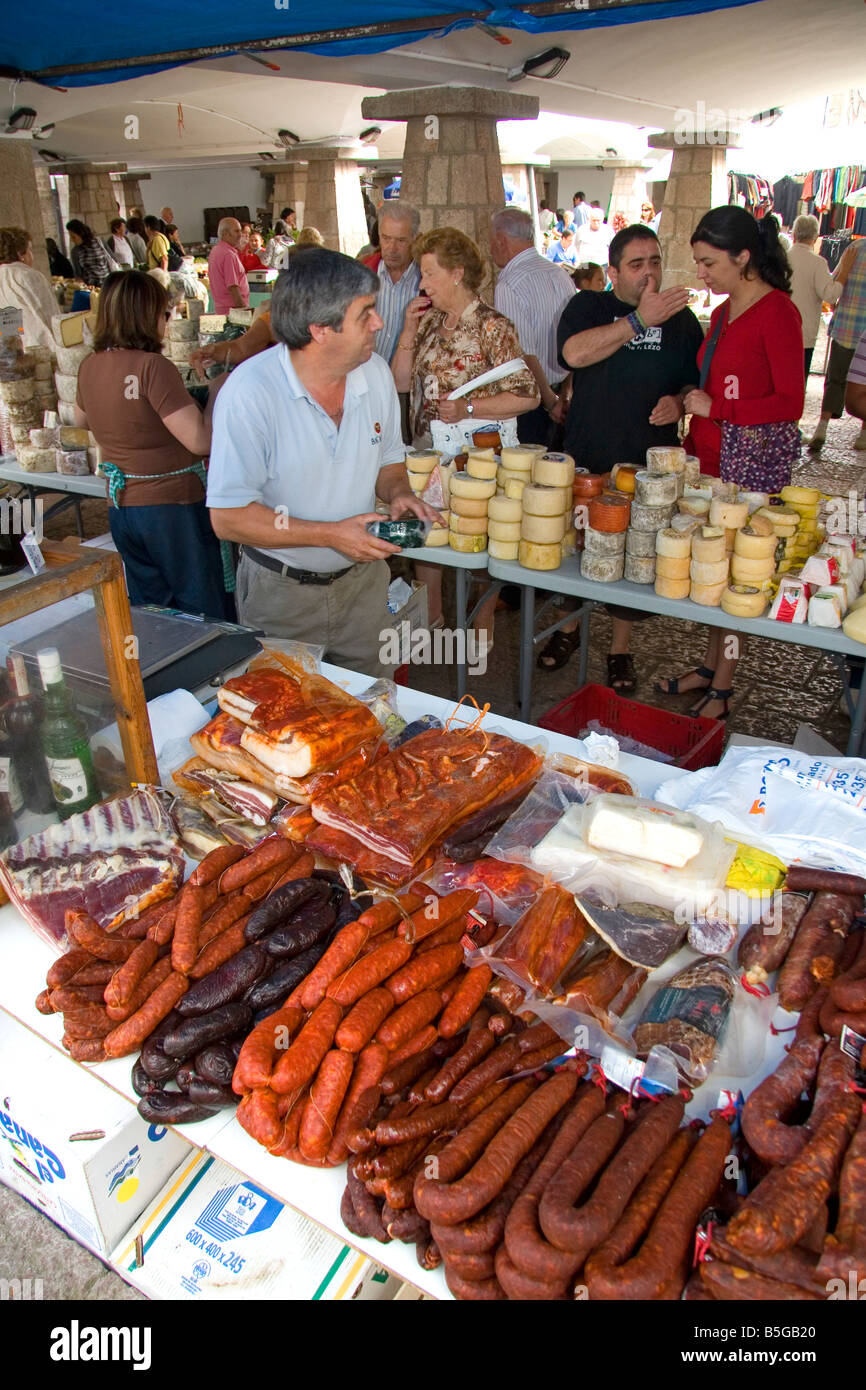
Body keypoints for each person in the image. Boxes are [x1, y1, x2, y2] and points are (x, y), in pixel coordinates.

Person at [207, 248, 437, 676]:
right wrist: (330, 535)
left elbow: (388, 460)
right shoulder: (251, 394)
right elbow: (228, 518)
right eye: (366, 313)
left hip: (364, 588)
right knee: (286, 724)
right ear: (320, 330)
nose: (380, 322)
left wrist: (400, 492)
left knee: (373, 710)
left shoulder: (376, 375)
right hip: (282, 596)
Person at [656, 206, 804, 721]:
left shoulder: (779, 313)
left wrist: (719, 409)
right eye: (698, 263)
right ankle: (710, 663)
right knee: (714, 571)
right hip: (712, 458)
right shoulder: (722, 314)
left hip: (752, 468)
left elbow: (790, 403)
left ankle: (723, 683)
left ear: (743, 258)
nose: (701, 274)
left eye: (709, 263)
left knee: (737, 576)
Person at [546, 224, 701, 684]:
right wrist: (638, 320)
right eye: (636, 264)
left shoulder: (681, 319)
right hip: (588, 455)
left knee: (634, 557)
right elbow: (573, 355)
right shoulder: (589, 305)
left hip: (646, 467)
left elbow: (693, 380)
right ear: (612, 271)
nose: (649, 272)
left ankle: (619, 649)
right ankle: (567, 629)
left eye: (655, 261)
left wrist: (680, 400)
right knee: (576, 551)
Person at [391, 225, 538, 645]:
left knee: (476, 535)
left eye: (430, 273)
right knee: (428, 531)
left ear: (457, 273)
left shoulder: (492, 326)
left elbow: (526, 396)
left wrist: (468, 409)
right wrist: (406, 331)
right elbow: (400, 382)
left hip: (476, 456)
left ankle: (482, 624)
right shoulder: (428, 322)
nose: (423, 283)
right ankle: (431, 617)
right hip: (427, 451)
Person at [74, 271, 230, 619]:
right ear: (146, 316)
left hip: (122, 507)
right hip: (170, 509)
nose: (167, 320)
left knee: (152, 610)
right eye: (164, 313)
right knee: (200, 609)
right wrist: (218, 390)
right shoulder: (152, 367)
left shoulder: (89, 366)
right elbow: (200, 440)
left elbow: (81, 421)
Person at [490, 206, 575, 445]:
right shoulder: (560, 275)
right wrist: (565, 396)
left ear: (500, 241)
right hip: (563, 394)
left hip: (536, 399)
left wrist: (550, 402)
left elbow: (522, 352)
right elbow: (574, 342)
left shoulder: (509, 283)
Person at [809, 236, 866, 452]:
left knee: (835, 379)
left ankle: (822, 428)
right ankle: (863, 434)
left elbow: (836, 282)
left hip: (847, 327)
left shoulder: (854, 248)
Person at [788, 214, 843, 379]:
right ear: (815, 237)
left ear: (794, 234)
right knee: (798, 379)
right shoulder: (818, 263)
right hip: (804, 333)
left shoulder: (782, 258)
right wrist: (843, 274)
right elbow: (830, 295)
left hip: (778, 329)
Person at [373, 201, 422, 364]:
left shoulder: (427, 282)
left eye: (401, 241)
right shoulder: (362, 273)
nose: (392, 248)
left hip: (410, 384)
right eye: (386, 238)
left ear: (415, 239)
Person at [0, 226, 59, 350]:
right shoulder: (28, 275)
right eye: (30, 250)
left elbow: (9, 322)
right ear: (20, 254)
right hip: (42, 347)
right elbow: (51, 316)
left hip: (16, 352)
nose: (32, 255)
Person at [208, 218, 249, 314]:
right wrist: (244, 311)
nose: (240, 235)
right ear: (226, 233)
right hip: (233, 311)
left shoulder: (216, 250)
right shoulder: (228, 255)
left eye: (240, 231)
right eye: (236, 231)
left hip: (222, 309)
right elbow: (232, 287)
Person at [65, 219, 114, 288]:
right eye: (70, 237)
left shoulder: (98, 242)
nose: (72, 240)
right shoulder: (75, 251)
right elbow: (78, 273)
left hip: (108, 283)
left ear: (81, 234)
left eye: (74, 237)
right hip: (91, 287)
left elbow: (112, 257)